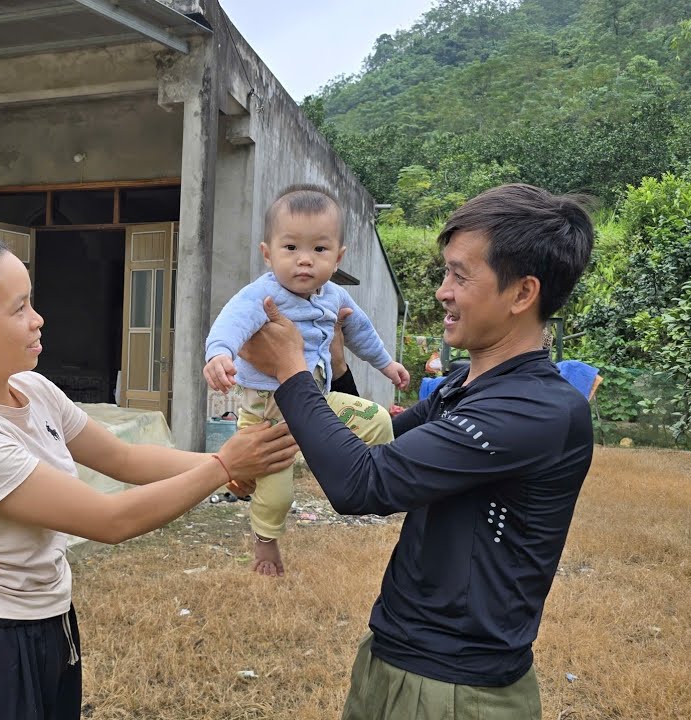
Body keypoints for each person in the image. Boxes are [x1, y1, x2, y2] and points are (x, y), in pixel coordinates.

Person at [0, 233, 298, 720]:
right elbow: (109, 519)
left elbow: (125, 460)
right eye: (19, 308)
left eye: (32, 302)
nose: (38, 319)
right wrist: (223, 466)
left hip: (50, 627)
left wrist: (227, 469)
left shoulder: (32, 389)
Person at [238, 184, 596, 719]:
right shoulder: (464, 384)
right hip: (394, 652)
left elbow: (362, 485)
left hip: (457, 688)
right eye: (445, 273)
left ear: (522, 294)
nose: (442, 292)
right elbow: (380, 439)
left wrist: (290, 372)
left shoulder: (536, 411)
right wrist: (328, 374)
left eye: (460, 275)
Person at [203, 185, 409, 576]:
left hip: (317, 405)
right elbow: (232, 322)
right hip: (268, 418)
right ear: (268, 253)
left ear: (338, 256)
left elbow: (360, 331)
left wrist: (386, 365)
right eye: (291, 248)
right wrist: (219, 354)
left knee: (380, 419)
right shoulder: (262, 295)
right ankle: (265, 542)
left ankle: (384, 483)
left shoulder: (333, 296)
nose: (304, 261)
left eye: (319, 249)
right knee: (278, 495)